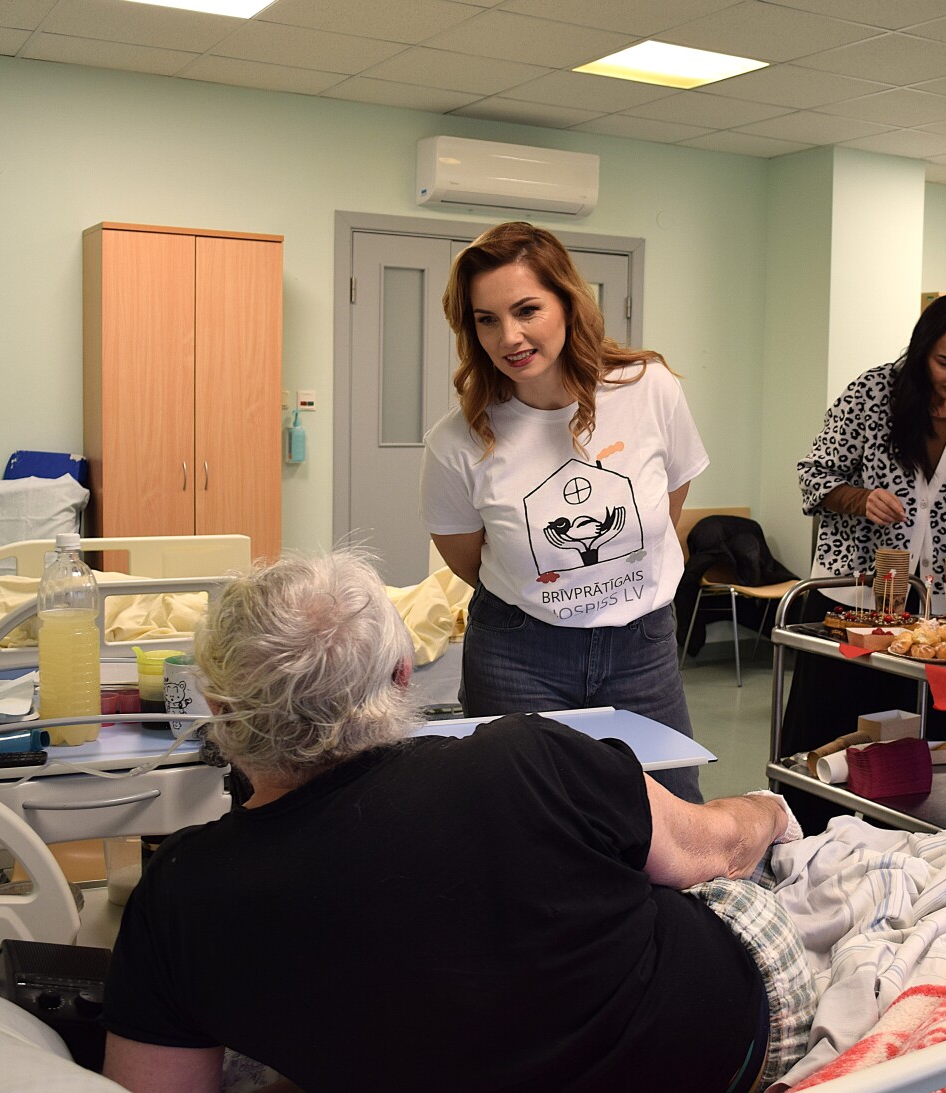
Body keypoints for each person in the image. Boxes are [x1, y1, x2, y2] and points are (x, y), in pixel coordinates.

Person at [101, 553, 796, 1093]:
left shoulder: (178, 897)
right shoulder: (527, 758)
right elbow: (721, 850)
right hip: (716, 1056)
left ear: (220, 711)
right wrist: (770, 809)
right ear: (402, 677)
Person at [420, 221, 708, 802]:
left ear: (568, 303)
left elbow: (668, 503)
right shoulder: (458, 440)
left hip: (642, 646)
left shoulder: (649, 389)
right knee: (526, 823)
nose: (509, 336)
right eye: (487, 319)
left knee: (673, 811)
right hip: (519, 654)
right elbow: (467, 560)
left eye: (527, 310)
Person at [781, 294, 946, 813]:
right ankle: (805, 834)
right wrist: (860, 499)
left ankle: (900, 844)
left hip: (934, 613)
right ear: (923, 349)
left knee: (912, 748)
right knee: (830, 737)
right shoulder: (872, 393)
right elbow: (813, 476)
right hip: (854, 601)